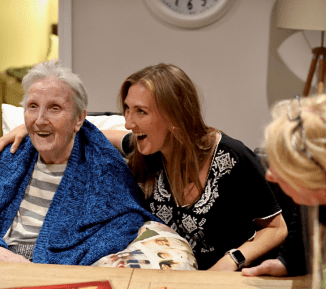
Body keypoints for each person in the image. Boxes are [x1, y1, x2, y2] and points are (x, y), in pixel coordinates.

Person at [0, 63, 288, 271]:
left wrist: (231, 261)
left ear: (174, 115)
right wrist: (28, 127)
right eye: (127, 109)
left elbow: (277, 228)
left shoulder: (230, 156)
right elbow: (92, 132)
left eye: (140, 111)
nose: (127, 122)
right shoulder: (146, 149)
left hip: (234, 274)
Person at [0, 60, 158, 265]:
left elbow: (126, 221)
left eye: (54, 108)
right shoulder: (10, 156)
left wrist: (53, 264)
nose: (40, 120)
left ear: (79, 119)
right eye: (32, 107)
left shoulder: (103, 166)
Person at [242, 94, 326, 278]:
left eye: (281, 166)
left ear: (313, 175)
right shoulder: (313, 198)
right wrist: (286, 263)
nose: (269, 175)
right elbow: (303, 216)